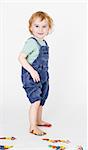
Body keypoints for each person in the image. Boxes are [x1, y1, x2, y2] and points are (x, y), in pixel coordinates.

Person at [18, 11, 53, 136]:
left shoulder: (44, 43)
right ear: (31, 28)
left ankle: (38, 120)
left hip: (42, 77)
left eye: (44, 26)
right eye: (37, 26)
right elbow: (21, 58)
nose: (40, 29)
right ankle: (32, 127)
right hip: (31, 77)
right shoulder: (32, 42)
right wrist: (32, 71)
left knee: (42, 99)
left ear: (49, 28)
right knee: (36, 100)